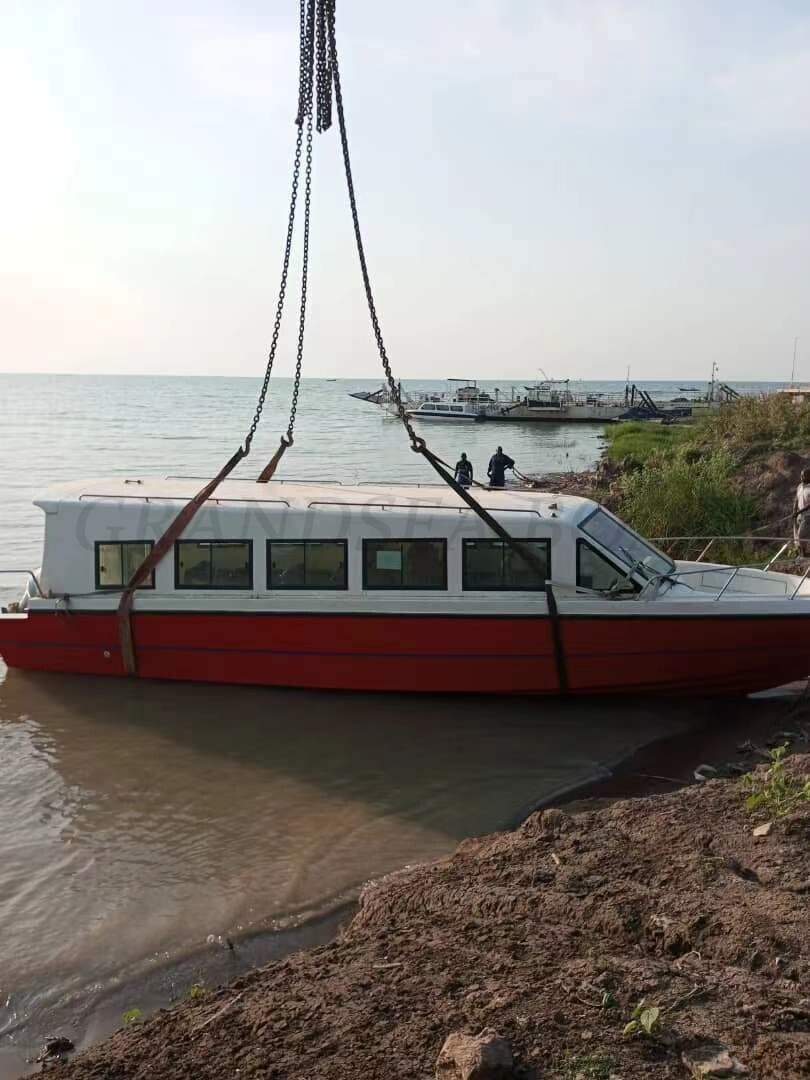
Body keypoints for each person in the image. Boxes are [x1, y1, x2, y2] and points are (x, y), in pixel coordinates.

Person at [794, 468, 810, 556]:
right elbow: (796, 499)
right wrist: (794, 511)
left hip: (808, 516)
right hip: (799, 515)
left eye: (803, 475)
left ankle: (803, 554)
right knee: (798, 535)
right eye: (801, 475)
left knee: (801, 536)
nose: (801, 477)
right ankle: (801, 554)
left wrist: (799, 511)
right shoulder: (799, 486)